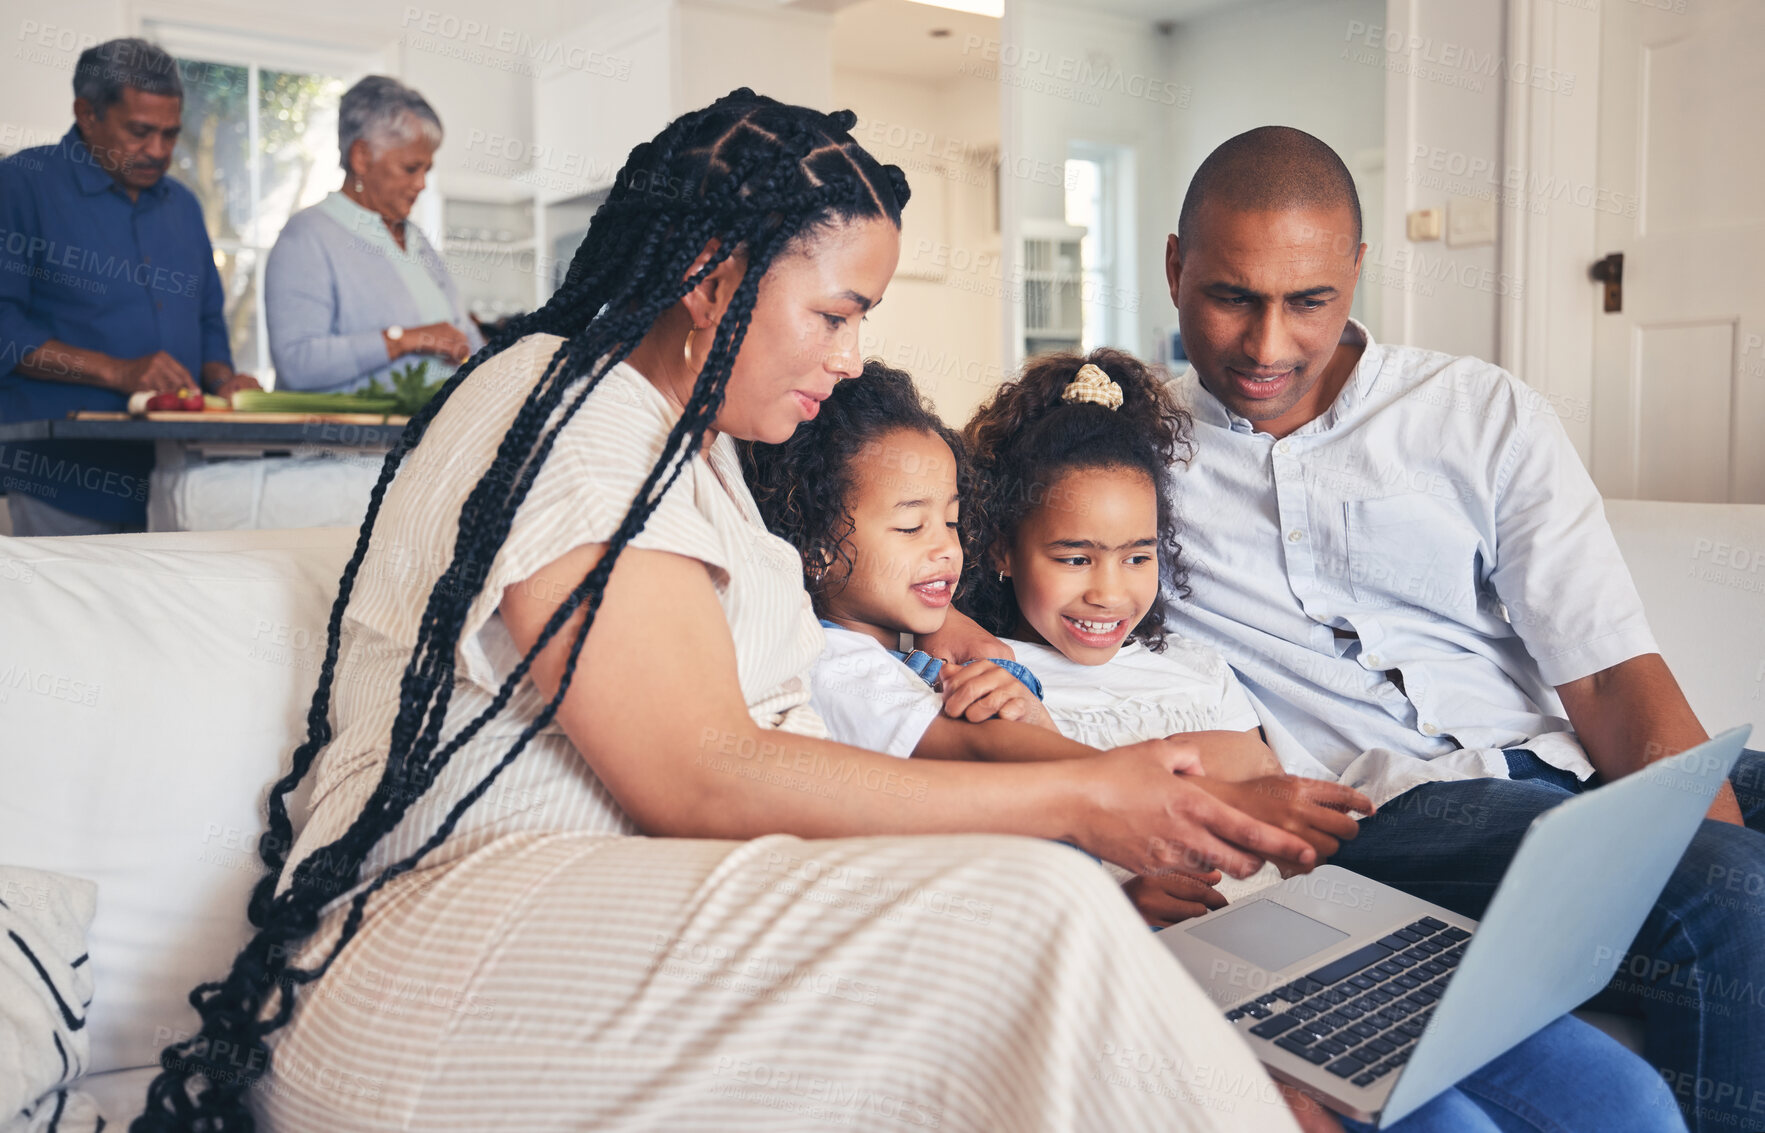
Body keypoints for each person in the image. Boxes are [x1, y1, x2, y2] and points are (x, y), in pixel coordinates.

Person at [134, 92, 1375, 1133]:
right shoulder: (560, 409)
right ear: (708, 275)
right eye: (832, 314)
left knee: (1089, 940)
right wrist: (1080, 804)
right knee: (1038, 905)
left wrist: (1103, 828)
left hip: (609, 929)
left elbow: (800, 748)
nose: (845, 358)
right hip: (435, 965)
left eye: (861, 324)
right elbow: (704, 772)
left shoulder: (702, 461)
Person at [1153, 124, 1764, 1133]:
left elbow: (1609, 674)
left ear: (1357, 271)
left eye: (1308, 301)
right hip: (1386, 814)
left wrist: (1666, 821)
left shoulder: (1480, 412)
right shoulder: (1126, 451)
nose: (1268, 346)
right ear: (1177, 267)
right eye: (1230, 297)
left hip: (1555, 766)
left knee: (1718, 866)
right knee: (1728, 893)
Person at [953, 347, 1686, 1132]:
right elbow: (1010, 839)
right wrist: (1119, 893)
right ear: (1000, 549)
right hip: (1165, 961)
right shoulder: (999, 683)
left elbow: (1257, 775)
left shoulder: (1193, 665)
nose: (1108, 590)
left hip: (1304, 923)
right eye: (1073, 558)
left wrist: (1214, 788)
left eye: (1136, 556)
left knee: (1627, 1097)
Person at [0, 37, 258, 536]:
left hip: (179, 483)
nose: (158, 151)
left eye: (170, 134)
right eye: (140, 132)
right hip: (62, 480)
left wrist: (224, 379)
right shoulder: (20, 185)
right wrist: (117, 372)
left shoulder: (182, 205)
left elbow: (206, 321)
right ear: (86, 113)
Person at [264, 75, 484, 394]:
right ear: (362, 157)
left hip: (435, 440)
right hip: (345, 443)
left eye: (427, 170)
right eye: (410, 169)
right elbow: (297, 363)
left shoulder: (417, 241)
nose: (422, 184)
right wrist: (404, 340)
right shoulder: (306, 237)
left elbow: (466, 339)